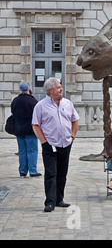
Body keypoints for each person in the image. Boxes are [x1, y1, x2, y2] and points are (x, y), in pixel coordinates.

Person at [32, 78, 79, 212]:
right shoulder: (40, 106)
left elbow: (75, 120)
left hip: (66, 144)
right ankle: (50, 202)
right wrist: (44, 142)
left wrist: (72, 136)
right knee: (51, 173)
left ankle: (59, 199)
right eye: (59, 87)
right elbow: (35, 125)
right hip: (50, 145)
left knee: (62, 173)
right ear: (51, 90)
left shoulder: (68, 103)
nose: (61, 89)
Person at [11, 83, 40, 178]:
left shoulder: (15, 101)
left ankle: (22, 171)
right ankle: (33, 171)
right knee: (32, 151)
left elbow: (13, 112)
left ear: (20, 90)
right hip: (30, 130)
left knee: (22, 151)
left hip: (19, 130)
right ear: (28, 90)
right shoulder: (33, 101)